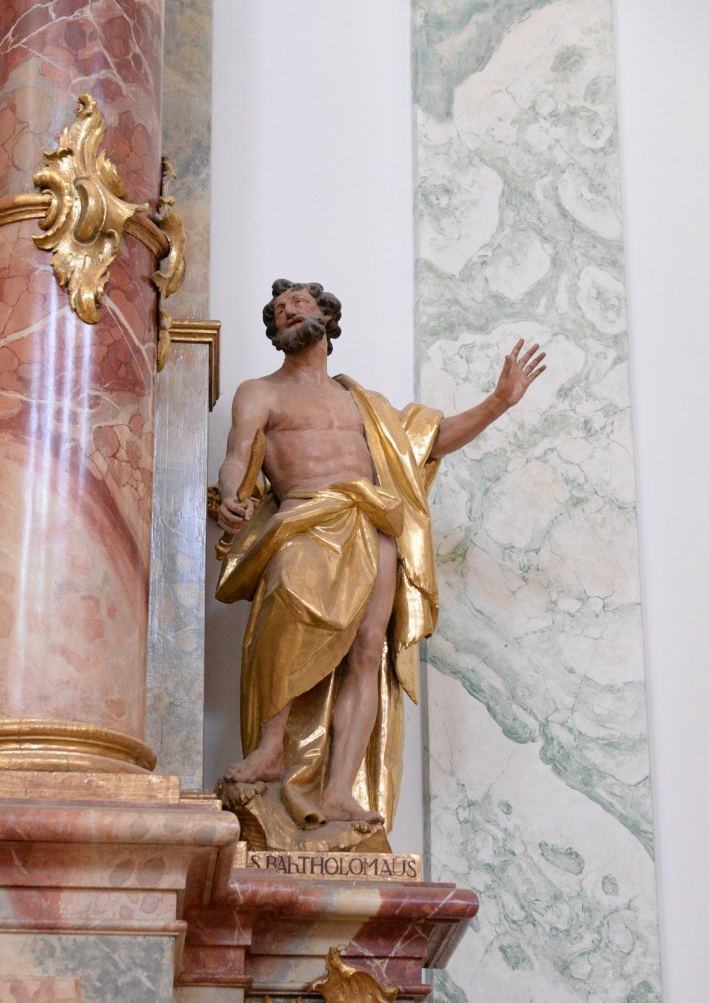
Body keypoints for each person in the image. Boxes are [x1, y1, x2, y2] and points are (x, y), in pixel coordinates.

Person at [215, 279, 545, 832]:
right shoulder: (260, 392)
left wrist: (499, 402)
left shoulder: (366, 406)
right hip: (302, 519)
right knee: (282, 629)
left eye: (298, 302)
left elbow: (432, 440)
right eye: (277, 310)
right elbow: (236, 454)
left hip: (372, 527)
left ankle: (341, 788)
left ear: (325, 317)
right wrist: (230, 495)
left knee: (366, 654)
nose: (287, 311)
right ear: (275, 332)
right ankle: (270, 748)